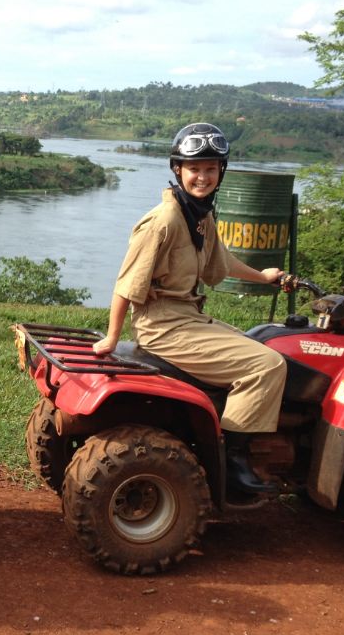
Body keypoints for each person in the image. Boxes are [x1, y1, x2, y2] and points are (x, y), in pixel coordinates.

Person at [91, 123, 287, 494]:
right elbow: (127, 283)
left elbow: (220, 262)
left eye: (211, 169)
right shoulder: (163, 221)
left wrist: (263, 277)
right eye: (194, 168)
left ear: (221, 172)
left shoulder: (199, 216)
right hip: (164, 327)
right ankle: (234, 463)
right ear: (177, 169)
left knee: (267, 346)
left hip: (187, 318)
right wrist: (112, 336)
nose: (203, 176)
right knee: (267, 365)